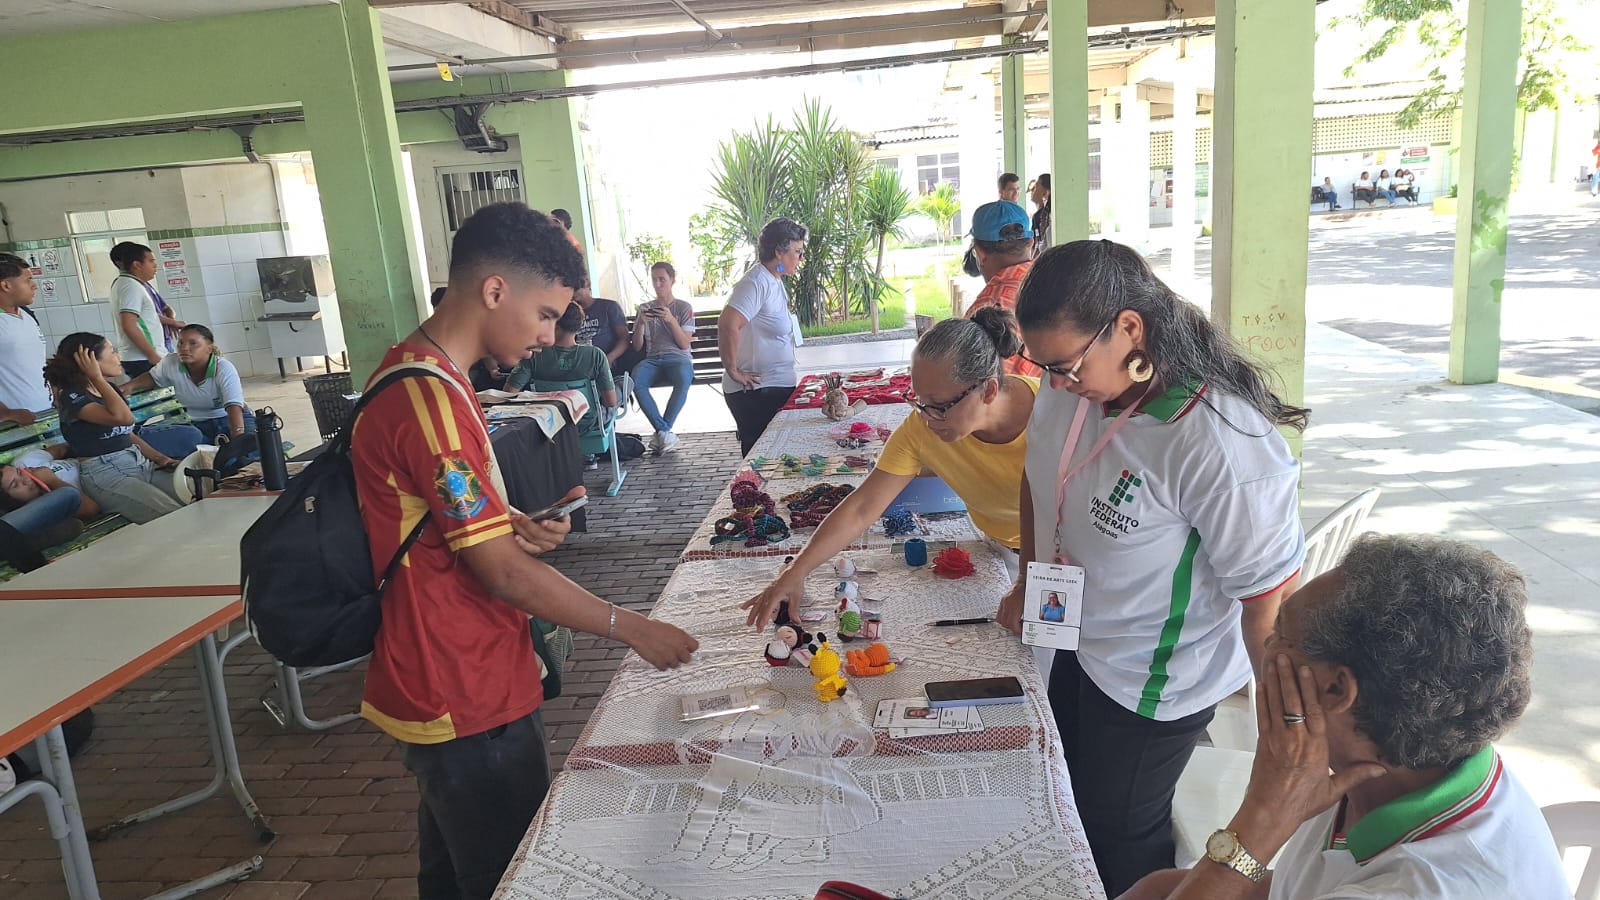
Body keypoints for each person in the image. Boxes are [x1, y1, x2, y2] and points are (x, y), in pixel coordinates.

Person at [349, 201, 697, 899]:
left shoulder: (427, 375)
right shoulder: (431, 401)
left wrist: (508, 519)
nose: (546, 335)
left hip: (463, 675)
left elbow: (434, 513)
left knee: (454, 874)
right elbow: (503, 573)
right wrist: (630, 626)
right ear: (494, 290)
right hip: (461, 686)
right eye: (543, 314)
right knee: (507, 875)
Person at [1005, 239, 1307, 895]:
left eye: (1066, 365)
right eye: (1044, 366)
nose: (1056, 383)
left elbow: (1269, 606)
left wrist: (1286, 741)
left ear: (1130, 329)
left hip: (1155, 676)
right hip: (1079, 639)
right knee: (1065, 791)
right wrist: (1028, 575)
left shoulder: (1220, 443)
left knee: (1119, 834)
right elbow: (1037, 478)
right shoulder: (1070, 385)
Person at [1119, 535, 1568, 900]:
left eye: (1281, 634)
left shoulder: (1418, 887)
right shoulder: (1397, 758)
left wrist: (1264, 816)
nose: (1266, 646)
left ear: (1335, 690)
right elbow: (1300, 885)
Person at [743, 309, 1040, 630]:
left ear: (989, 390)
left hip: (1062, 556)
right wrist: (796, 571)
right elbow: (862, 507)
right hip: (1002, 550)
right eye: (919, 402)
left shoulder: (1052, 413)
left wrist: (1030, 579)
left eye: (939, 406)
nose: (927, 418)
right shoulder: (922, 428)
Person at [42, 333, 186, 524]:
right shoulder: (71, 396)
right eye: (112, 351)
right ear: (90, 360)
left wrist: (161, 459)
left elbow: (127, 433)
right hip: (106, 474)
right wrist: (96, 377)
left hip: (139, 462)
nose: (118, 357)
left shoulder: (109, 389)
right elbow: (124, 419)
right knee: (172, 517)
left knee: (194, 490)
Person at [719, 218, 805, 457]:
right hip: (756, 392)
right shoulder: (756, 282)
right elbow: (727, 325)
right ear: (779, 252)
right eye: (797, 252)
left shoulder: (774, 277)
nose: (801, 259)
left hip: (772, 386)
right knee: (762, 457)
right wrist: (733, 370)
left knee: (778, 456)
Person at [505, 301, 618, 470]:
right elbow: (610, 401)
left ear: (555, 324)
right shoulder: (595, 355)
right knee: (620, 389)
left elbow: (508, 393)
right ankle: (588, 454)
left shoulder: (533, 355)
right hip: (587, 424)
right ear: (580, 325)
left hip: (548, 424)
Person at [119, 324, 250, 443]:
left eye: (193, 343)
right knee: (192, 440)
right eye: (180, 343)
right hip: (192, 423)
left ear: (209, 348)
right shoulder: (170, 362)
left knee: (252, 446)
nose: (184, 348)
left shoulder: (223, 368)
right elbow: (153, 377)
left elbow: (234, 407)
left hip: (227, 419)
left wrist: (238, 439)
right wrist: (129, 386)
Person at [964, 200, 1043, 378]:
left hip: (1011, 395)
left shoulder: (986, 308)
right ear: (1031, 243)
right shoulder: (1056, 282)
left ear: (979, 253)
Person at [629, 262, 696, 454]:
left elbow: (684, 344)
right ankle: (664, 431)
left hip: (678, 357)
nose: (658, 284)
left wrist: (671, 320)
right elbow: (637, 346)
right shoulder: (645, 308)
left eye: (662, 280)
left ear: (672, 280)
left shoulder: (684, 307)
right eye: (654, 280)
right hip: (653, 358)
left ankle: (662, 432)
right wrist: (640, 323)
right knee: (636, 380)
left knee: (683, 378)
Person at [109, 241, 184, 378]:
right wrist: (152, 355)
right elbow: (129, 325)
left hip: (143, 357)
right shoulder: (130, 286)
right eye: (151, 261)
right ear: (137, 265)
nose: (155, 265)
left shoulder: (133, 284)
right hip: (143, 358)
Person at [0, 253, 50, 425]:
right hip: (14, 425)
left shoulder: (26, 314)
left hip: (44, 414)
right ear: (6, 285)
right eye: (27, 280)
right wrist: (6, 413)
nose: (34, 286)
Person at [571, 280, 631, 376]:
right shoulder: (570, 313)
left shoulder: (609, 307)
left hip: (606, 361)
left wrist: (609, 358)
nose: (572, 292)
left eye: (576, 288)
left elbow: (624, 338)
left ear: (587, 284)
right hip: (580, 362)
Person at [1029, 173, 1053, 251]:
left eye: (1036, 187)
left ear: (1046, 192)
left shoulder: (1050, 215)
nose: (1032, 190)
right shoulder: (1039, 215)